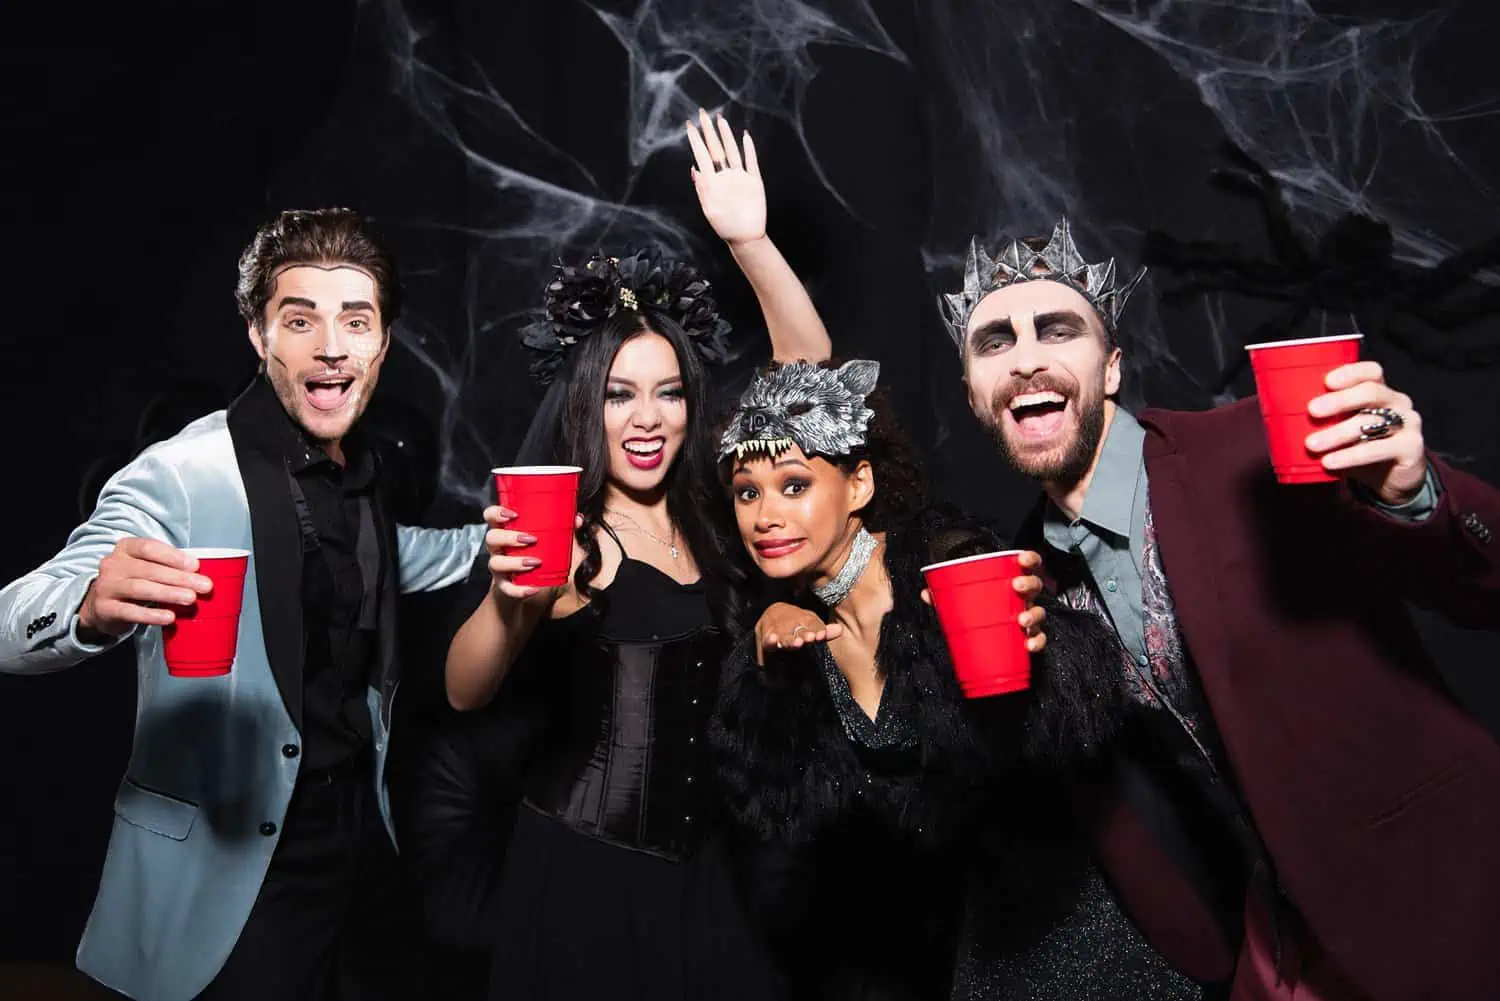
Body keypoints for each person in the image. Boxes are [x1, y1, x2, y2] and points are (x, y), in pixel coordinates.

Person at [938, 220, 1500, 999]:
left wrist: (1412, 493)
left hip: (1440, 884)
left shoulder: (1252, 448)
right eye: (994, 342)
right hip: (1275, 937)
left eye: (1057, 330)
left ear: (1110, 369)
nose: (1026, 356)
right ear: (974, 393)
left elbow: (1483, 584)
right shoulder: (1026, 575)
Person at [0, 208, 485, 1001]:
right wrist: (87, 605)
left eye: (354, 321)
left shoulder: (362, 477)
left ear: (382, 344)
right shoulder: (181, 474)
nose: (331, 345)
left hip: (364, 847)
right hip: (232, 866)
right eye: (301, 320)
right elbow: (13, 619)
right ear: (260, 338)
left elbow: (410, 558)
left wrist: (512, 547)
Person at [429, 112, 832, 1000]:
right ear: (586, 405)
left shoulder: (714, 508)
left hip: (709, 876)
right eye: (619, 395)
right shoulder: (565, 536)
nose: (647, 418)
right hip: (584, 879)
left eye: (668, 393)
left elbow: (808, 369)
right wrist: (511, 603)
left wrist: (751, 241)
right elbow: (463, 689)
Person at [712, 359, 1199, 1000]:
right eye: (748, 493)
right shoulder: (792, 639)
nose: (766, 516)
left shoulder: (941, 561)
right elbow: (780, 811)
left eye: (794, 485)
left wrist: (1035, 645)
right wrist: (769, 678)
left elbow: (1072, 701)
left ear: (858, 485)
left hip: (1079, 917)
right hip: (965, 941)